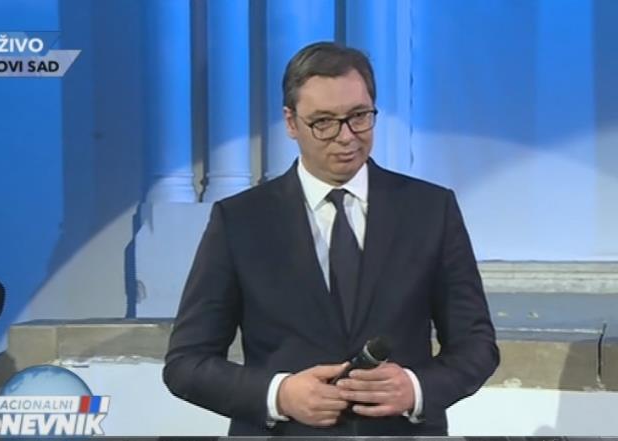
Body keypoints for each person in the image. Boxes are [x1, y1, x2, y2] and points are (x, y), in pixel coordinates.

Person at [163, 41, 499, 436]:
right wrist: (279, 395)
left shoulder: (430, 209)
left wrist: (416, 388)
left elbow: (476, 346)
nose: (346, 136)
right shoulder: (239, 220)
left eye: (359, 116)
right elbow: (186, 364)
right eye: (323, 122)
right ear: (291, 122)